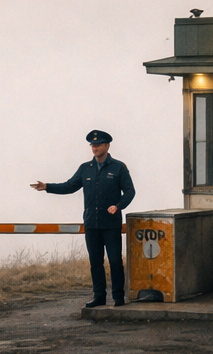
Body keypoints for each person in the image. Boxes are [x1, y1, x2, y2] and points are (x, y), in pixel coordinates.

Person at [32, 130, 136, 307]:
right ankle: (99, 297)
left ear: (107, 145)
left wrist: (118, 206)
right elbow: (69, 186)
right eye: (92, 145)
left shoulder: (118, 168)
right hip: (91, 224)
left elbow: (130, 191)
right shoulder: (85, 168)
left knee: (115, 261)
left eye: (98, 144)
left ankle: (118, 298)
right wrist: (47, 187)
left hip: (110, 224)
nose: (94, 147)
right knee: (95, 263)